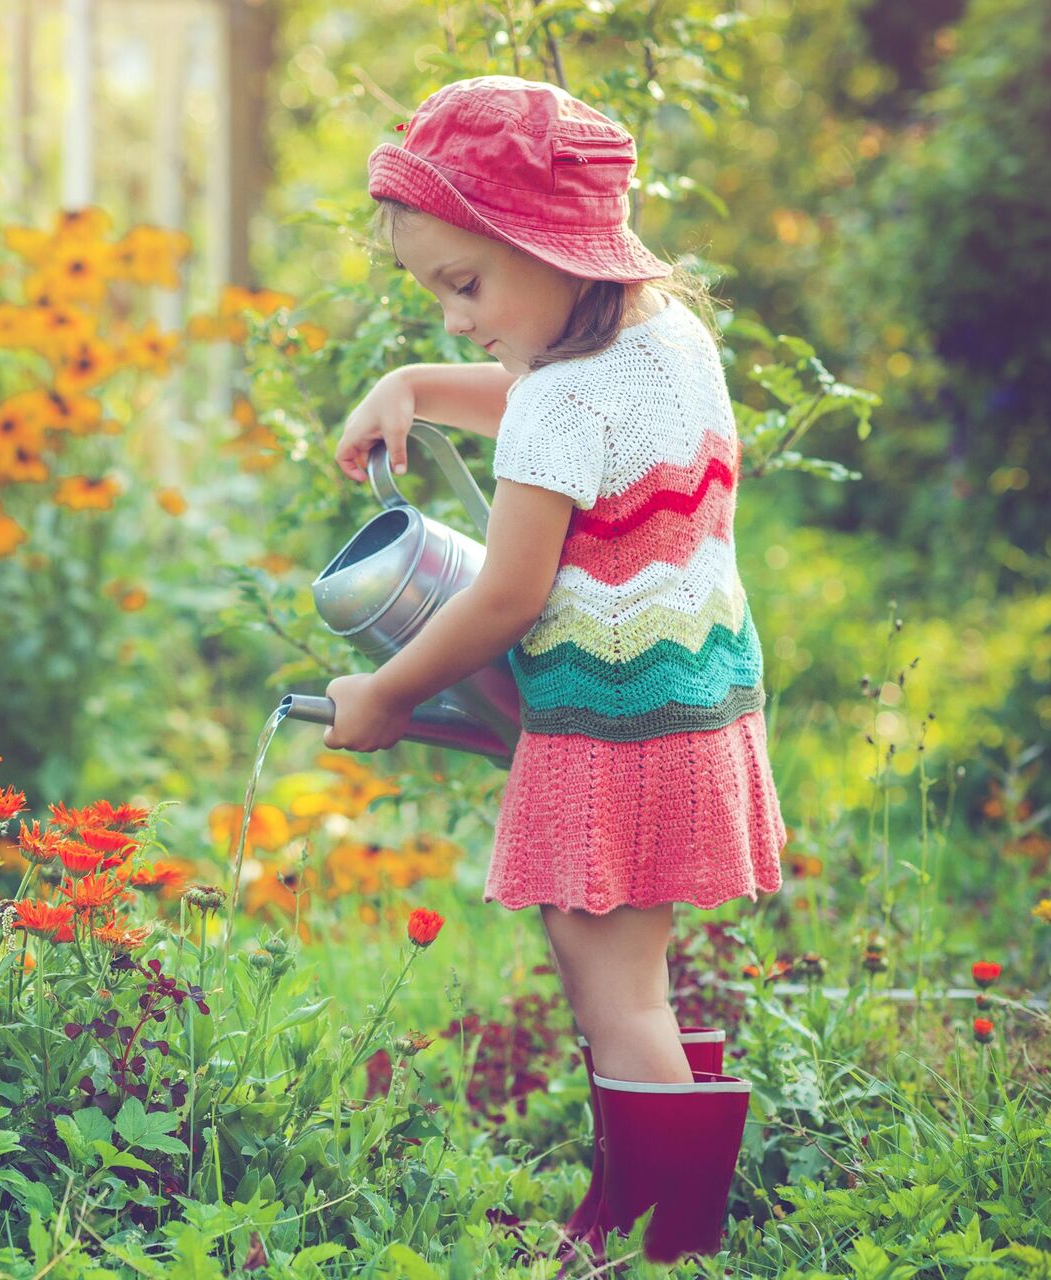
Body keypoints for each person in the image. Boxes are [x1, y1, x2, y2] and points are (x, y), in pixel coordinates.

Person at [321, 76, 787, 1265]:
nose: (454, 320)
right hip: (693, 710)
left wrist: (386, 692)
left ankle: (663, 1241)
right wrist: (418, 390)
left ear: (549, 246)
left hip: (613, 730)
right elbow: (551, 417)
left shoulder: (563, 399)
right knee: (628, 977)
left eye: (465, 285)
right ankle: (624, 1204)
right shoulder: (668, 341)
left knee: (615, 993)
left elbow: (508, 593)